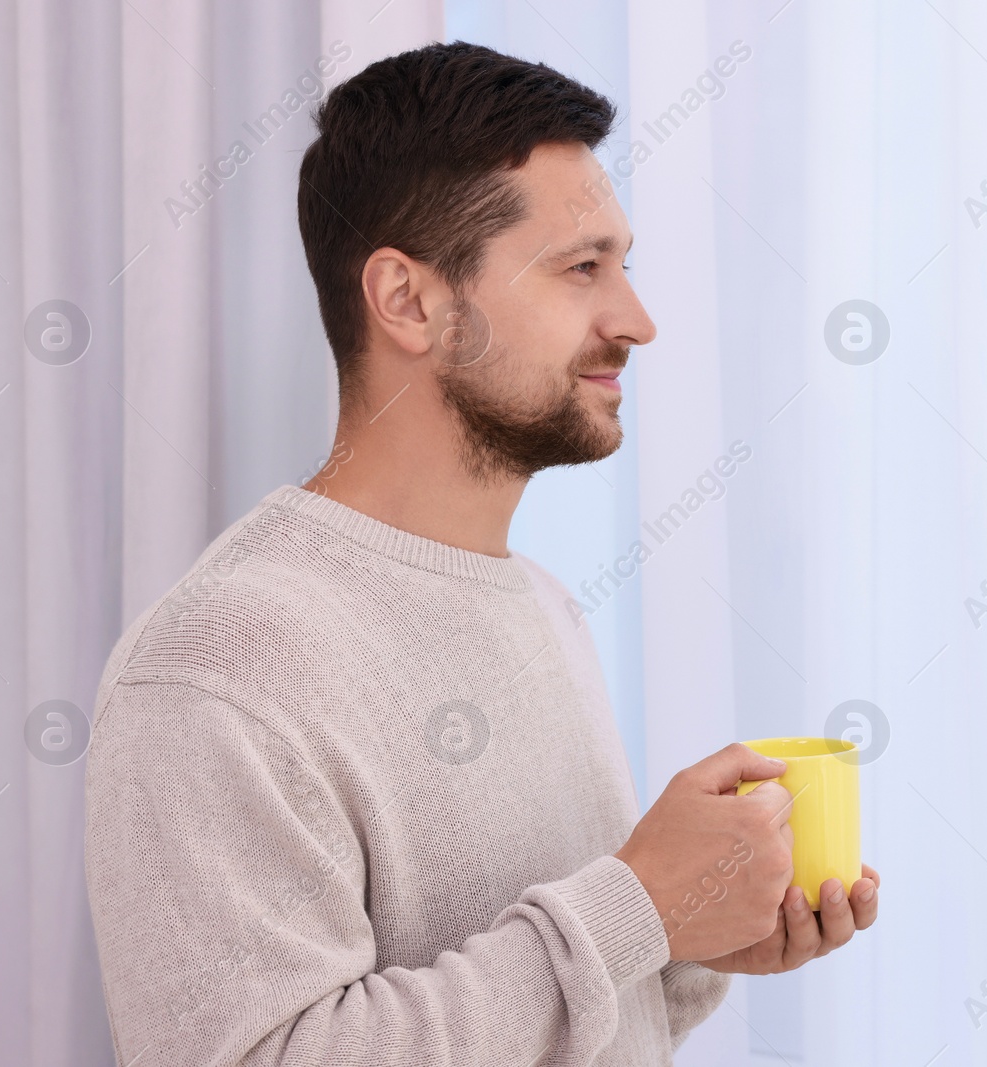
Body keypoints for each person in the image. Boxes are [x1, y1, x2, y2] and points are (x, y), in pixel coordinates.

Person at [83, 40, 879, 1067]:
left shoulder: (541, 604)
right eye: (580, 267)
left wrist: (691, 940)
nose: (634, 318)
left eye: (622, 264)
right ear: (409, 301)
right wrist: (633, 903)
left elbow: (570, 1011)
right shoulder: (216, 666)